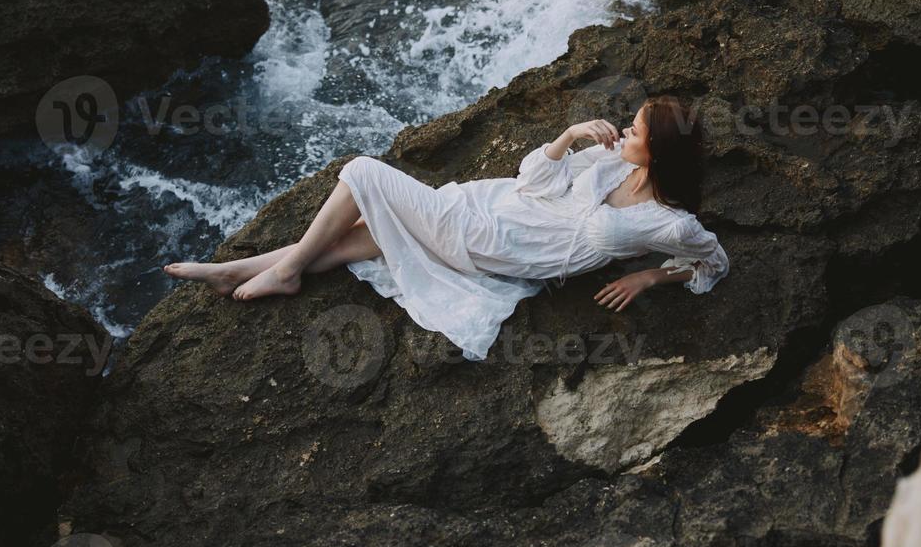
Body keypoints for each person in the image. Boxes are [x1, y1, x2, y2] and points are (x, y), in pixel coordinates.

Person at [166, 95, 729, 360]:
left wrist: (651, 278)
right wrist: (567, 137)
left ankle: (285, 269)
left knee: (363, 172)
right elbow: (534, 183)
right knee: (363, 235)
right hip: (496, 209)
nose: (623, 132)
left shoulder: (670, 223)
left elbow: (714, 261)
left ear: (657, 151)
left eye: (634, 131)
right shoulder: (608, 162)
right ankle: (237, 269)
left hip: (495, 246)